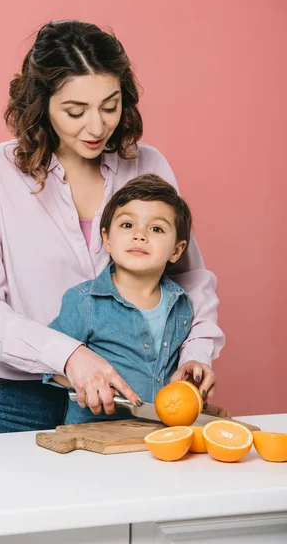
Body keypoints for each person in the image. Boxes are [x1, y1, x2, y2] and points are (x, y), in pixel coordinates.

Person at [0, 19, 224, 435]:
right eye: (75, 112)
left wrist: (198, 352)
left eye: (110, 106)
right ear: (40, 104)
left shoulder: (149, 165)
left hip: (126, 400)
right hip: (11, 401)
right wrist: (70, 355)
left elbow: (188, 276)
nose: (97, 127)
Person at [43, 174, 196, 423]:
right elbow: (50, 361)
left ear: (177, 250)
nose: (140, 235)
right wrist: (88, 384)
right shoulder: (84, 302)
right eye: (127, 225)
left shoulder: (181, 304)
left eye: (156, 229)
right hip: (94, 437)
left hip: (160, 435)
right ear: (106, 239)